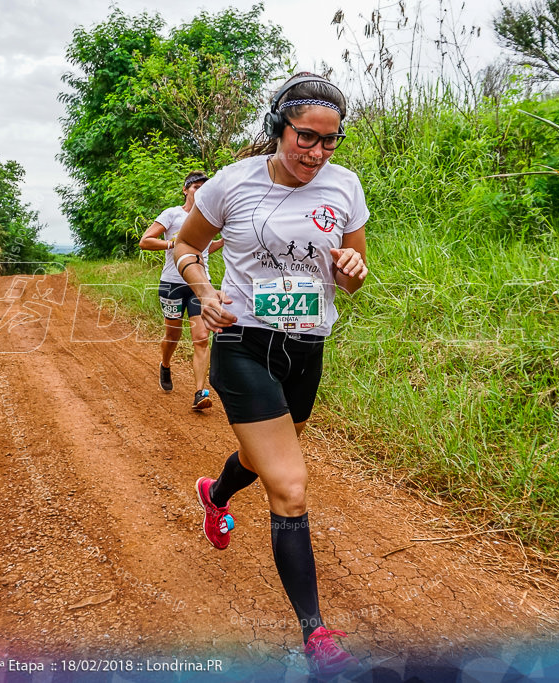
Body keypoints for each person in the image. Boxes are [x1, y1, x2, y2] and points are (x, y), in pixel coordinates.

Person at [173, 73, 369, 678]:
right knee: (289, 484)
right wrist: (204, 291)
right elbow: (186, 247)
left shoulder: (345, 186)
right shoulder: (234, 183)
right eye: (306, 137)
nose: (317, 153)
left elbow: (353, 273)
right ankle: (316, 633)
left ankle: (217, 493)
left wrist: (352, 268)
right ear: (277, 128)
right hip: (243, 341)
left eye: (330, 141)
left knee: (262, 462)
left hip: (307, 346)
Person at [139, 171, 222, 410]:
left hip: (199, 286)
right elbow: (146, 241)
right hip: (172, 284)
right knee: (173, 336)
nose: (200, 191)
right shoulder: (172, 214)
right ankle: (165, 364)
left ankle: (200, 392)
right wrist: (176, 244)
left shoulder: (211, 217)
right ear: (185, 190)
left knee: (202, 338)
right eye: (196, 187)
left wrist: (221, 242)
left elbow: (204, 250)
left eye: (204, 188)